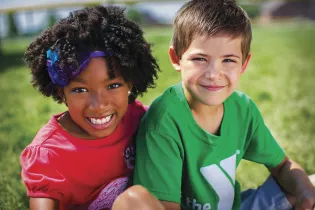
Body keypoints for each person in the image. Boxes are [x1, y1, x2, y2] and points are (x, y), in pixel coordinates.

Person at [112, 0, 315, 210]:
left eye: (228, 60)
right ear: (176, 58)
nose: (213, 74)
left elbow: (282, 166)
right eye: (200, 59)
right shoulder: (163, 121)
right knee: (133, 203)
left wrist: (305, 191)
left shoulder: (243, 109)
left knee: (309, 183)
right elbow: (165, 206)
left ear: (244, 63)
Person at [20, 5, 159, 210]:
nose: (99, 105)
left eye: (113, 86)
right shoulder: (49, 154)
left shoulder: (139, 119)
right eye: (80, 90)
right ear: (61, 92)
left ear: (130, 83)